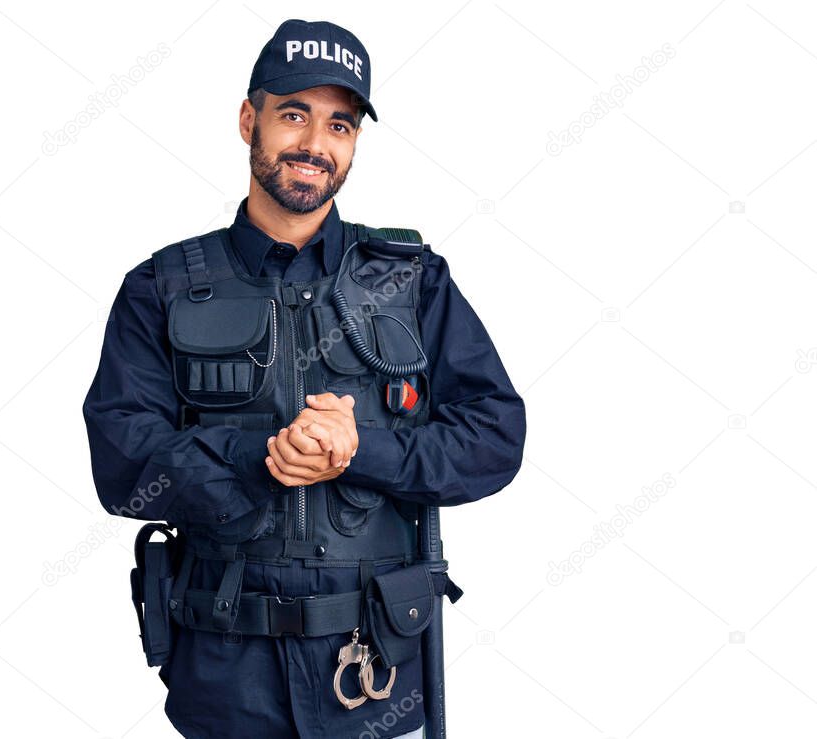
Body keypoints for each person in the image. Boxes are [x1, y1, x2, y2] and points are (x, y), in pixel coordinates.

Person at [82, 18, 526, 739]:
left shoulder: (413, 281)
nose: (316, 144)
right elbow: (122, 465)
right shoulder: (159, 287)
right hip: (226, 687)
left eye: (340, 125)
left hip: (377, 683)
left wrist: (363, 452)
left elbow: (495, 435)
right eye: (294, 115)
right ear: (248, 119)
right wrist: (258, 460)